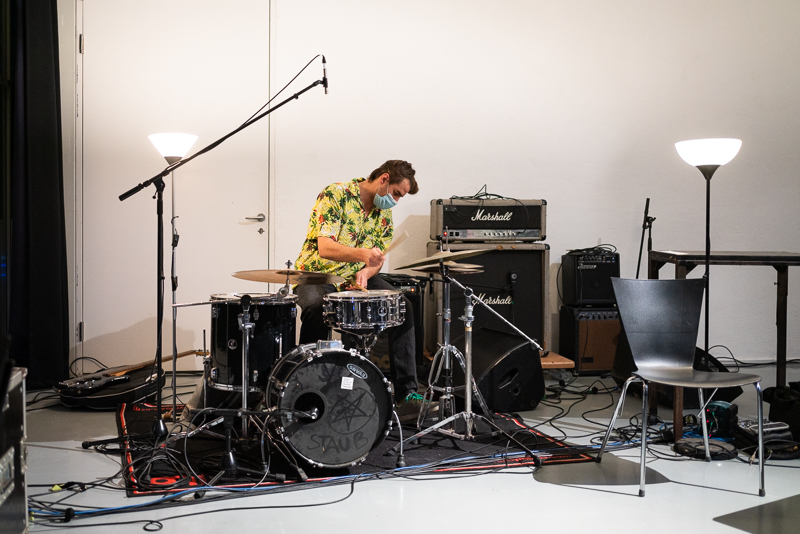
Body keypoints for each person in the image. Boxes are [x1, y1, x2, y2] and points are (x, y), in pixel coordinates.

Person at [293, 160, 434, 422]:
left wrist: (366, 272)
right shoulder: (336, 194)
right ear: (384, 179)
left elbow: (376, 261)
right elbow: (325, 248)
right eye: (396, 194)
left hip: (353, 277)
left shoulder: (384, 215)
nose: (395, 201)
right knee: (315, 307)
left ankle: (407, 395)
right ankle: (305, 387)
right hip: (317, 274)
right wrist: (362, 255)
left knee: (402, 307)